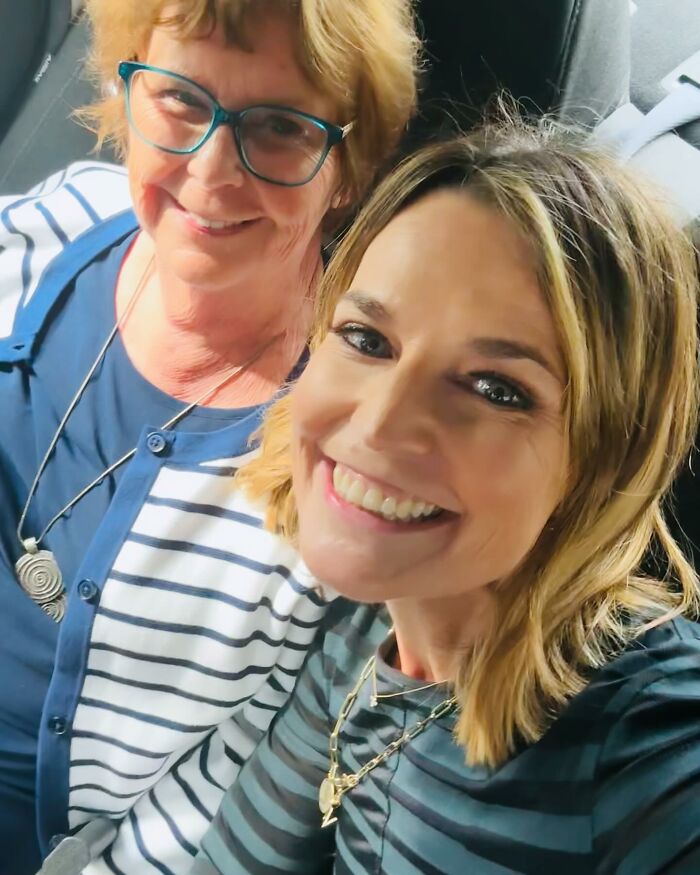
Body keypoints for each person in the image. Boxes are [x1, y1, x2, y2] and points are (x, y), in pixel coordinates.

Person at [194, 118, 700, 874]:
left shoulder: (651, 746)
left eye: (497, 389)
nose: (380, 422)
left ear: (601, 460)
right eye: (367, 338)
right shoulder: (363, 633)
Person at [0, 1, 419, 872]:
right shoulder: (53, 227)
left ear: (345, 166)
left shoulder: (336, 470)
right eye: (181, 100)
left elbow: (209, 818)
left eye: (277, 127)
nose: (211, 168)